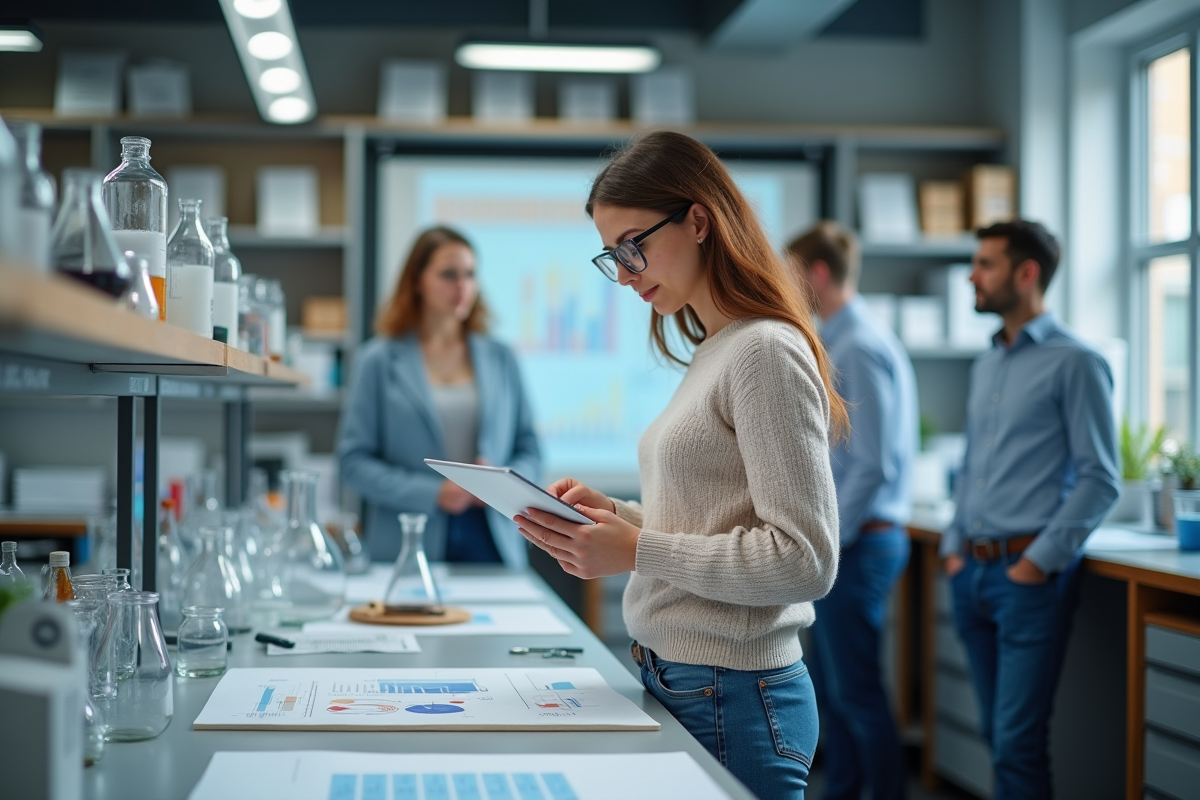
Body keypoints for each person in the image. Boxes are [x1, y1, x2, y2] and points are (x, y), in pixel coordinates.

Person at [512, 130, 845, 800]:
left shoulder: (764, 352)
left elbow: (806, 560)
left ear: (699, 220)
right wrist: (621, 518)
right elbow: (715, 517)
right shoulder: (717, 348)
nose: (627, 271)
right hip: (689, 681)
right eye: (613, 256)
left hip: (736, 696)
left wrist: (637, 547)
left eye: (634, 245)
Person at [940, 220, 1120, 799]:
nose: (971, 275)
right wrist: (951, 546)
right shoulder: (987, 363)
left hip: (1026, 580)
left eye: (985, 264)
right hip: (970, 573)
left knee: (1017, 744)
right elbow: (971, 466)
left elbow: (1101, 479)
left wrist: (1038, 564)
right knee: (998, 735)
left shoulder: (1076, 362)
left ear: (1027, 273)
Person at [789, 221, 917, 800]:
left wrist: (823, 537)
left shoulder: (858, 345)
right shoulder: (839, 341)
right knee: (835, 691)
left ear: (818, 274)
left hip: (859, 542)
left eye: (792, 276)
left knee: (857, 692)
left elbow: (873, 465)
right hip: (849, 539)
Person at [337, 226, 541, 565]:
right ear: (417, 281)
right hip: (408, 537)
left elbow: (530, 449)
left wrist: (502, 483)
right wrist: (434, 493)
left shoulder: (501, 358)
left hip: (492, 537)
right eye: (449, 274)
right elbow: (353, 462)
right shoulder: (378, 360)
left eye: (470, 274)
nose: (462, 287)